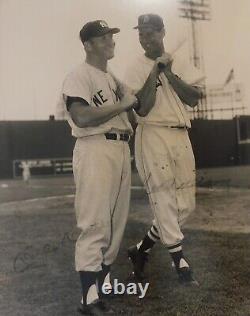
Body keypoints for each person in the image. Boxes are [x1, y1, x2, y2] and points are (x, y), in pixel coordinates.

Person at [58, 20, 138, 315]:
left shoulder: (111, 77)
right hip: (95, 148)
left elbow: (136, 103)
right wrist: (123, 105)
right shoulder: (78, 76)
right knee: (95, 222)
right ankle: (88, 300)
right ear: (88, 44)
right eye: (103, 38)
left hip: (119, 148)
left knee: (116, 223)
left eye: (111, 37)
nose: (110, 41)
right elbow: (81, 117)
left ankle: (101, 287)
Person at [124, 14, 203, 286]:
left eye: (150, 33)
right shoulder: (134, 67)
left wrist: (169, 71)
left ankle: (141, 249)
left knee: (185, 205)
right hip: (152, 134)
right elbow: (142, 108)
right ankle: (180, 262)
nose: (145, 39)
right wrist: (154, 72)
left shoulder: (179, 61)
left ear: (162, 32)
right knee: (164, 199)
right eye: (141, 35)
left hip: (181, 133)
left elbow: (194, 98)